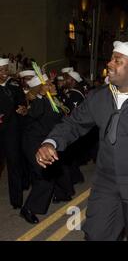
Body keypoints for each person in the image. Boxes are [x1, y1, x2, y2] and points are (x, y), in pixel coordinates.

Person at [35, 41, 128, 241]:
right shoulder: (99, 97)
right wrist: (51, 142)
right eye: (112, 59)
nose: (110, 64)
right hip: (106, 183)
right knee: (95, 235)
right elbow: (73, 123)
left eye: (117, 60)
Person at [20, 75, 73, 224]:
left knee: (52, 171)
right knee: (46, 178)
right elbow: (34, 113)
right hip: (34, 143)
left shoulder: (53, 99)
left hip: (47, 141)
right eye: (50, 83)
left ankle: (59, 194)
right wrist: (40, 94)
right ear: (41, 88)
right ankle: (28, 209)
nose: (54, 85)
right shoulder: (38, 101)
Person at [0, 57, 28, 209]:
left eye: (5, 69)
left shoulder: (14, 86)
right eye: (1, 70)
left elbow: (22, 102)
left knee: (14, 165)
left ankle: (16, 201)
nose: (4, 73)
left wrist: (23, 108)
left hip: (12, 131)